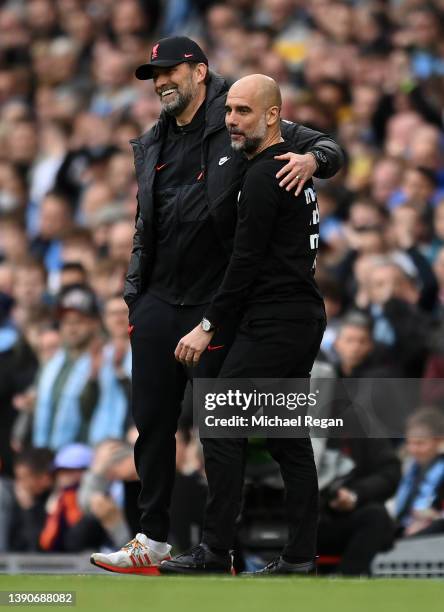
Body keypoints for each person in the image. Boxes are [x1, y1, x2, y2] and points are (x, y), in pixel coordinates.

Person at [91, 36, 342, 574]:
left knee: (223, 422)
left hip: (222, 302)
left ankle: (218, 549)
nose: (160, 81)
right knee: (154, 421)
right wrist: (136, 295)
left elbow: (325, 148)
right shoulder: (155, 141)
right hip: (161, 296)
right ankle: (155, 538)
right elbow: (147, 221)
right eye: (153, 75)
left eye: (168, 71)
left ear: (199, 72)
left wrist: (314, 157)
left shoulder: (247, 126)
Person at [161, 73, 326, 575]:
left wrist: (207, 324)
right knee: (285, 437)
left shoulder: (261, 177)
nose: (232, 119)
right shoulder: (288, 169)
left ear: (273, 116)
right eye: (229, 109)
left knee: (222, 424)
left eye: (243, 111)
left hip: (275, 320)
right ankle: (299, 556)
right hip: (299, 316)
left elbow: (245, 264)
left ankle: (215, 550)